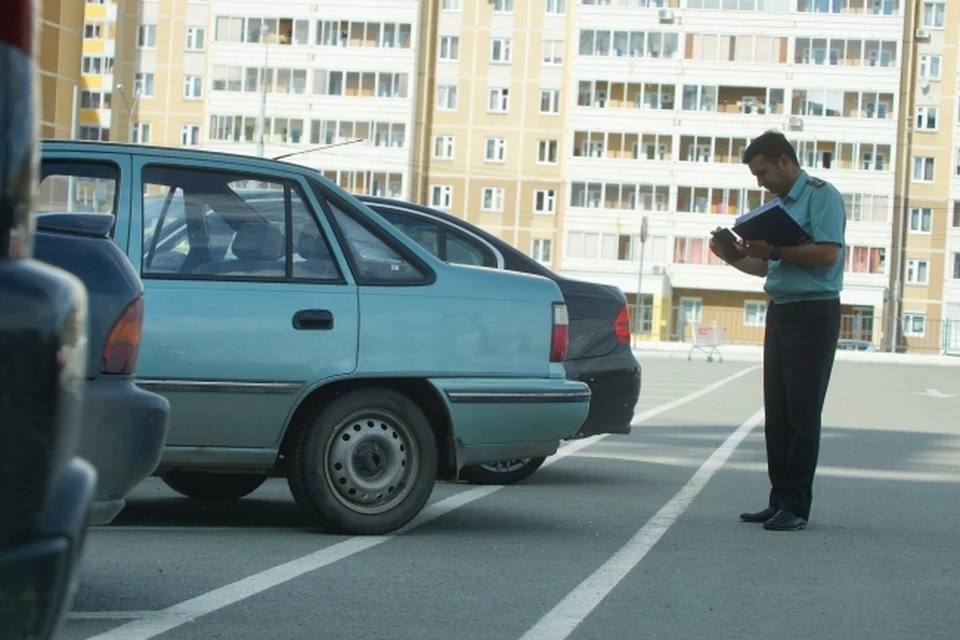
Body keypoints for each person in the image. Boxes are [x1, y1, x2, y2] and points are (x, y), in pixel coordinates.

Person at [709, 130, 845, 532]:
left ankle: (796, 506)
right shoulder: (777, 206)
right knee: (779, 413)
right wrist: (733, 256)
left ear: (785, 161)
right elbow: (769, 268)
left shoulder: (822, 196)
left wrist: (776, 250)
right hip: (782, 309)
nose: (760, 181)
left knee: (803, 412)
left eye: (763, 172)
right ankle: (778, 500)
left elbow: (826, 254)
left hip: (814, 312)